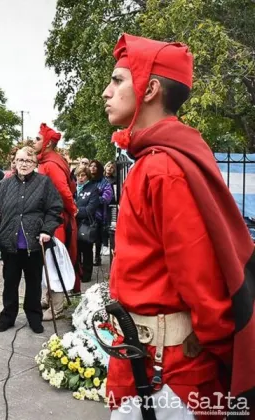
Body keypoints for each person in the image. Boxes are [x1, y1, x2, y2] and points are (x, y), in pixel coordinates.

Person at [103, 33, 254, 418]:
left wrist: (223, 359)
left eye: (118, 80)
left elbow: (204, 291)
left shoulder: (163, 169)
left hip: (167, 377)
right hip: (148, 365)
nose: (107, 91)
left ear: (150, 88)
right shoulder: (155, 161)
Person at [0, 147, 63, 334]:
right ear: (15, 162)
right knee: (10, 283)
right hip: (9, 244)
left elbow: (54, 209)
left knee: (34, 283)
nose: (23, 164)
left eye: (28, 161)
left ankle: (34, 317)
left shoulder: (44, 183)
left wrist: (47, 230)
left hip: (35, 244)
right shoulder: (4, 185)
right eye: (20, 160)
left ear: (35, 164)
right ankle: (8, 317)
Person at [34, 124, 79, 320]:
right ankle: (49, 297)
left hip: (55, 220)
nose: (34, 141)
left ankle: (57, 305)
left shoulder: (50, 163)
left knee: (54, 260)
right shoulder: (47, 160)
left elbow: (63, 190)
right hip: (50, 218)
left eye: (37, 138)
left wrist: (73, 210)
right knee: (47, 260)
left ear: (49, 143)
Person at [74, 166, 100, 284]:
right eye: (78, 175)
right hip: (74, 224)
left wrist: (75, 211)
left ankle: (86, 274)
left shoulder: (93, 189)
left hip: (86, 224)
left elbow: (91, 208)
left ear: (87, 176)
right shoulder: (73, 188)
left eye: (83, 175)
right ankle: (77, 273)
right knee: (76, 250)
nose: (80, 178)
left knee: (87, 250)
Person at [89, 160, 113, 265]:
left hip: (98, 214)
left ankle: (97, 257)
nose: (93, 168)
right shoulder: (86, 180)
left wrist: (94, 199)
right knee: (86, 238)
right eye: (91, 166)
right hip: (85, 213)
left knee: (97, 238)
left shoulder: (104, 182)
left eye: (95, 166)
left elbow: (107, 197)